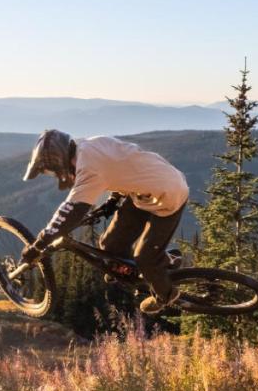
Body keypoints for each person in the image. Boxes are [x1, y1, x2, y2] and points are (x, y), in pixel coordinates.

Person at [20, 129, 188, 313]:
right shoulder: (90, 143)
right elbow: (126, 164)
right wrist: (114, 199)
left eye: (52, 172)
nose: (55, 175)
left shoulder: (88, 170)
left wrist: (38, 244)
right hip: (147, 190)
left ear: (59, 162)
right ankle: (138, 267)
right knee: (110, 244)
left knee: (145, 258)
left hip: (169, 195)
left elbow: (69, 212)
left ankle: (166, 295)